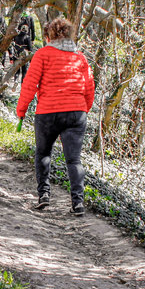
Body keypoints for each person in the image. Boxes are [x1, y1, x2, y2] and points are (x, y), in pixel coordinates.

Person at [15, 17, 94, 216]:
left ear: (49, 35)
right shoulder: (80, 58)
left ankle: (44, 196)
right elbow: (89, 87)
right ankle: (78, 203)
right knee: (74, 160)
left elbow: (30, 84)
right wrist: (84, 109)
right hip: (76, 113)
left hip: (48, 112)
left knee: (43, 153)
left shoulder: (42, 54)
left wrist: (21, 110)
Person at [9, 10, 35, 86]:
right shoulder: (30, 18)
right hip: (26, 44)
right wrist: (32, 39)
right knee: (24, 69)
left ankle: (16, 80)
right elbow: (33, 30)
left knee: (17, 68)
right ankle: (23, 84)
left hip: (17, 42)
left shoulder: (18, 17)